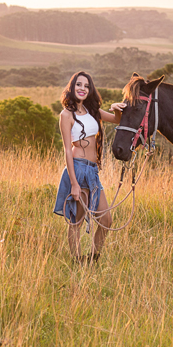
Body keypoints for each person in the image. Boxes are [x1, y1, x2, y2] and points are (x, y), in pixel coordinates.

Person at [53, 71, 126, 263]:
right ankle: (77, 262)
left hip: (92, 171)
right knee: (76, 221)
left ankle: (93, 259)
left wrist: (116, 108)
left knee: (106, 220)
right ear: (72, 87)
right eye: (78, 85)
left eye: (86, 86)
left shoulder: (93, 112)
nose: (82, 89)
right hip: (77, 168)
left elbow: (117, 120)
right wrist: (74, 184)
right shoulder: (66, 115)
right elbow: (68, 151)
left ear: (90, 89)